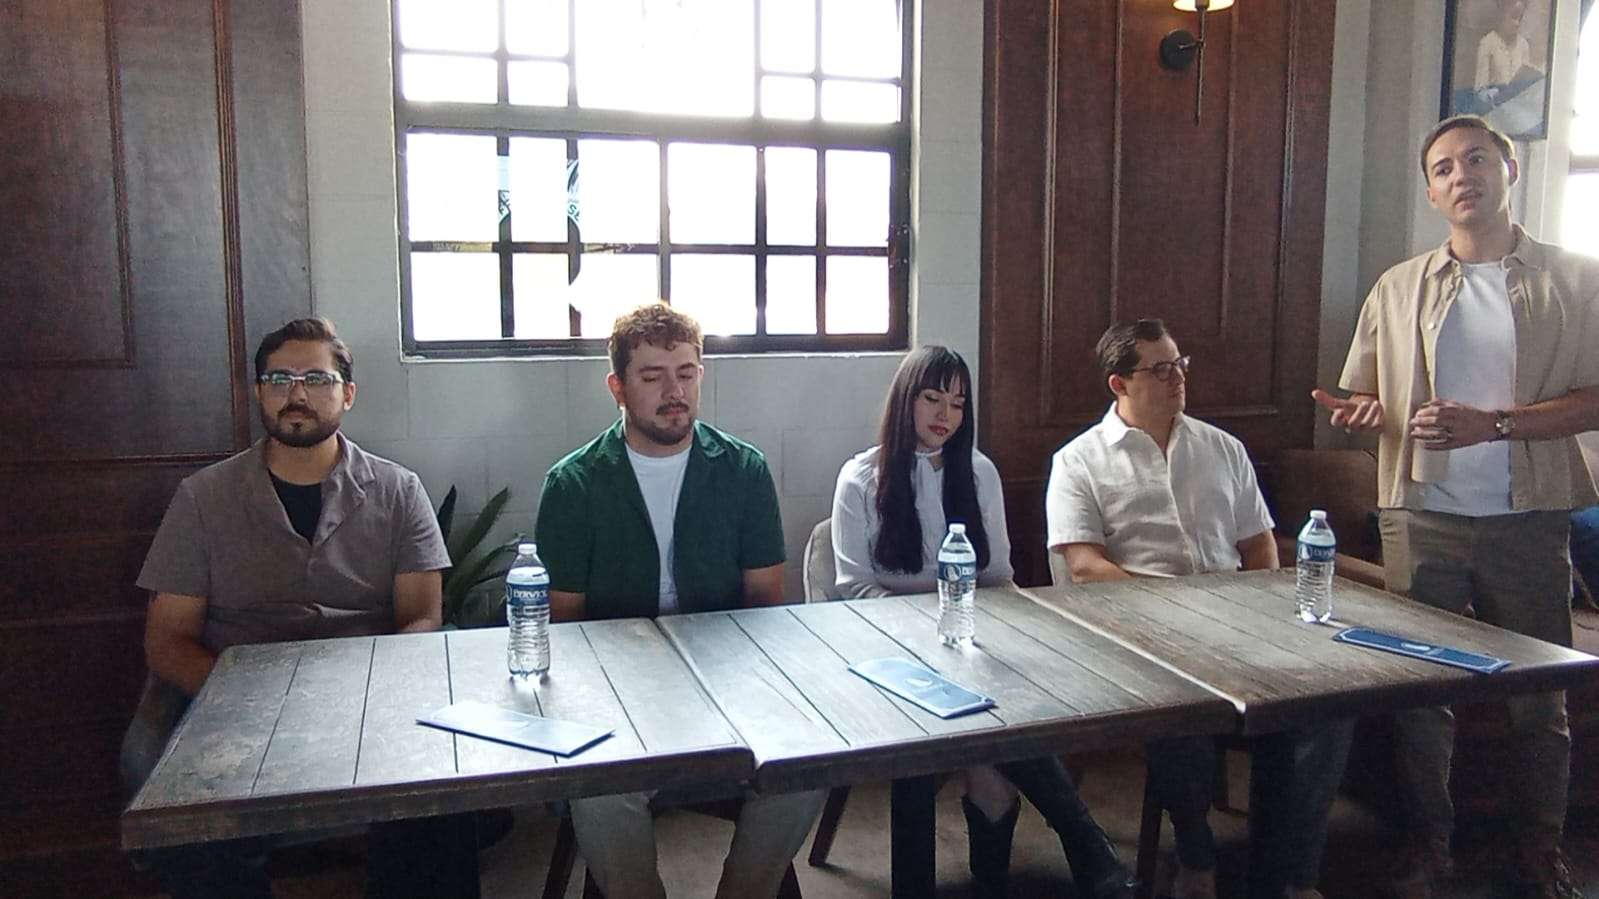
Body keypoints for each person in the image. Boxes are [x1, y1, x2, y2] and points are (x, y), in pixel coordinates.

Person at [1316, 114, 1599, 899]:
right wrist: (1365, 412)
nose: (1459, 175)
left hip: (1527, 518)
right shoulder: (1397, 284)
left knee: (1537, 697)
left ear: (1509, 169)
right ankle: (1428, 846)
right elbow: (1372, 396)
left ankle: (1538, 848)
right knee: (1421, 696)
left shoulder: (1575, 279)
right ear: (1430, 192)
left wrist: (1494, 425)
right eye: (1441, 168)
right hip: (1421, 515)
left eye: (1475, 159)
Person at [122, 317, 479, 898]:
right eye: (279, 379)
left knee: (442, 802)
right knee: (198, 827)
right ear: (258, 392)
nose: (297, 394)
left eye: (316, 379)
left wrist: (368, 697)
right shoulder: (204, 498)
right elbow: (167, 640)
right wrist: (249, 701)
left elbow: (421, 617)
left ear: (348, 393)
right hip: (235, 704)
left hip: (367, 699)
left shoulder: (397, 491)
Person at [1050, 320, 1352, 899]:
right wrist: (1180, 607)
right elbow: (1085, 566)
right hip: (1141, 634)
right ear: (1120, 383)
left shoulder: (1222, 448)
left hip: (1238, 626)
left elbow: (1259, 544)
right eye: (1160, 369)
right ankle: (1196, 857)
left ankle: (1291, 874)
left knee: (1330, 705)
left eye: (1180, 364)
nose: (1177, 378)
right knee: (1177, 710)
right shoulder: (1079, 461)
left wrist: (1259, 611)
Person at [535, 302, 825, 899]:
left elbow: (765, 612)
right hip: (618, 694)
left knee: (811, 761)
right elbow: (565, 632)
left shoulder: (742, 470)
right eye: (653, 376)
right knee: (601, 789)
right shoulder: (574, 484)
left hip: (726, 685)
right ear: (617, 387)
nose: (675, 392)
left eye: (687, 373)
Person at [830, 346, 1136, 899]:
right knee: (967, 740)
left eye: (957, 403)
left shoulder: (977, 471)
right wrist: (929, 625)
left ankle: (1026, 857)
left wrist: (1003, 632)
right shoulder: (860, 478)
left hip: (969, 640)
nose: (944, 415)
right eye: (932, 399)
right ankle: (1086, 847)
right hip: (890, 651)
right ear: (905, 401)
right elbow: (854, 589)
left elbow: (997, 577)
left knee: (1002, 714)